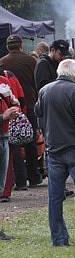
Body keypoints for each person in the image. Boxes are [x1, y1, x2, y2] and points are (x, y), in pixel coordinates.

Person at [34, 59, 75, 246]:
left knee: (55, 196)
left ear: (58, 72)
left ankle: (58, 238)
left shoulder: (44, 90)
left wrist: (48, 136)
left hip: (53, 149)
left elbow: (39, 115)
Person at [0, 34, 42, 187]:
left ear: (7, 46)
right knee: (30, 140)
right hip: (29, 104)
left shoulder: (2, 62)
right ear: (21, 46)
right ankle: (34, 176)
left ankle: (19, 179)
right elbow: (36, 82)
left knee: (13, 144)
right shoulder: (31, 61)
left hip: (8, 106)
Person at [0, 83, 19, 236]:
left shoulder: (3, 82)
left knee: (1, 186)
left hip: (4, 137)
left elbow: (16, 101)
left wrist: (13, 110)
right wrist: (3, 116)